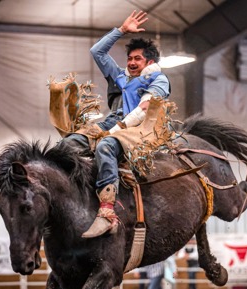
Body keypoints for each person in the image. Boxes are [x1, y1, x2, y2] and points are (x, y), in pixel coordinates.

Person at [62, 10, 171, 238]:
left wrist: (115, 131)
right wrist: (120, 31)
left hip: (139, 130)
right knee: (68, 144)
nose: (131, 62)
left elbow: (144, 110)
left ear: (150, 62)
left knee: (106, 146)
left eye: (137, 59)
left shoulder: (158, 79)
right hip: (112, 122)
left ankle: (107, 212)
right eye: (130, 58)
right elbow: (97, 51)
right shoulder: (120, 76)